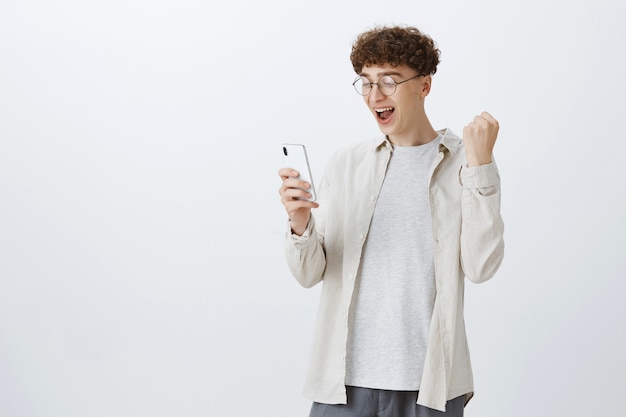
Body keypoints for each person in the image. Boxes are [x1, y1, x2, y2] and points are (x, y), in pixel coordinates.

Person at [278, 25, 504, 417]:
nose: (375, 96)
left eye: (388, 81)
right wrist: (300, 223)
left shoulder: (465, 161)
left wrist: (481, 166)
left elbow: (482, 267)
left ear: (424, 86)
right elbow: (310, 274)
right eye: (365, 83)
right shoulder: (346, 164)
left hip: (430, 385)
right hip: (342, 385)